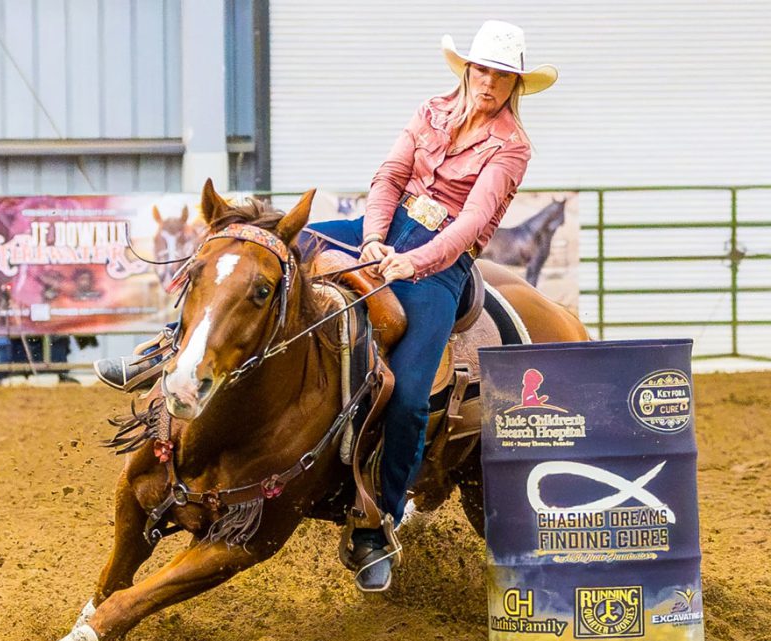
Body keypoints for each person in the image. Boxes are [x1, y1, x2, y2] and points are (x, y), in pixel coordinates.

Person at [95, 19, 556, 591]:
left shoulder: (512, 147)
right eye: (482, 69)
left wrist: (412, 262)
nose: (488, 83)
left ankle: (375, 521)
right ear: (468, 69)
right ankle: (163, 347)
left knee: (412, 395)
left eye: (502, 75)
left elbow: (470, 222)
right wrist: (372, 240)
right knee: (258, 252)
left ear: (515, 84)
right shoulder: (431, 111)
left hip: (440, 266)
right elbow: (390, 176)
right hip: (381, 230)